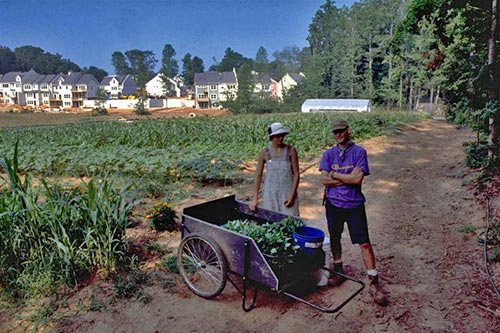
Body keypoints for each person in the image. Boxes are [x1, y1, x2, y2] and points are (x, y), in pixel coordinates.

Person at [319, 118, 388, 306]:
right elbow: (324, 181)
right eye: (335, 132)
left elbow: (357, 180)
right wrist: (347, 178)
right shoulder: (328, 154)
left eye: (341, 130)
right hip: (333, 203)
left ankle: (373, 280)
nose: (338, 134)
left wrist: (334, 175)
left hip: (354, 204)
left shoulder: (359, 152)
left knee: (364, 242)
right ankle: (339, 270)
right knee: (334, 237)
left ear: (348, 130)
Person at [249, 122, 299, 216]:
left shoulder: (291, 151)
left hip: (287, 192)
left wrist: (292, 196)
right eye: (277, 136)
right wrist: (255, 198)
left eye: (282, 135)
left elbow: (296, 174)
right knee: (271, 221)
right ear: (271, 137)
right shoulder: (264, 153)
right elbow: (258, 175)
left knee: (290, 220)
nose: (281, 138)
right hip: (270, 193)